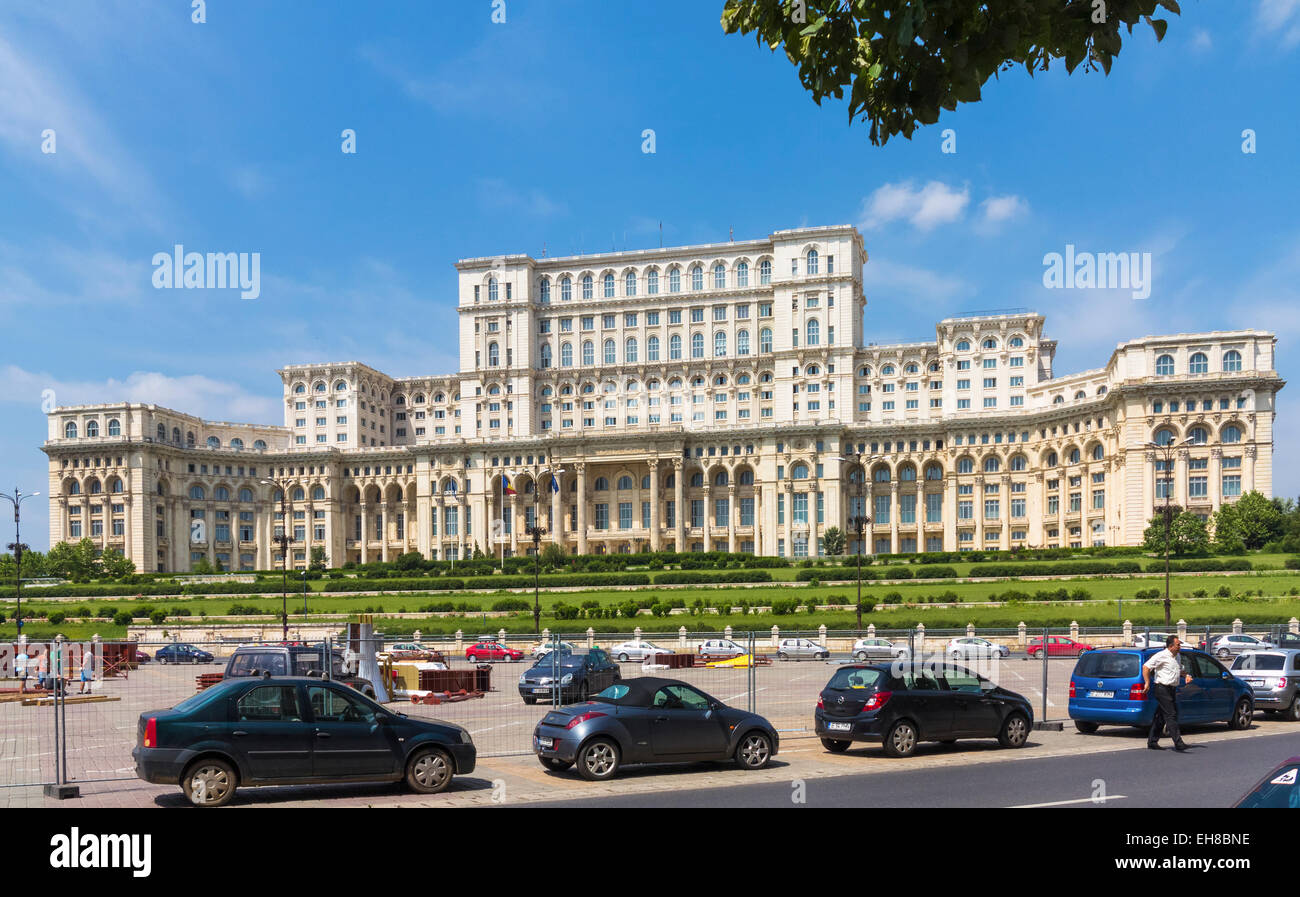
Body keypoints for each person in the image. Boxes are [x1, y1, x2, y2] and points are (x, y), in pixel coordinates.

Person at [1142, 634, 1194, 751]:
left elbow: (1179, 669)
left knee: (1161, 716)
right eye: (1178, 645)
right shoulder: (1161, 655)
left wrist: (1186, 675)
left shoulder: (1178, 656)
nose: (1180, 646)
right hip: (1161, 688)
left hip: (1171, 689)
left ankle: (1152, 742)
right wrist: (1147, 683)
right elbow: (1146, 667)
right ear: (1171, 646)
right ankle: (1178, 743)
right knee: (1171, 714)